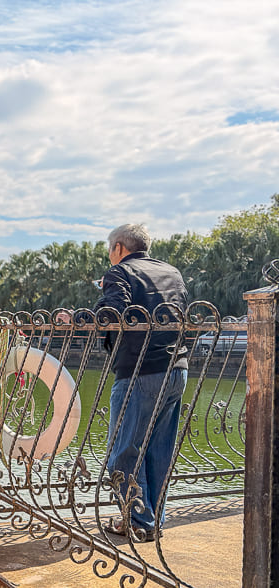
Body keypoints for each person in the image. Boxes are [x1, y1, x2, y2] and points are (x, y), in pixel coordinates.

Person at [94, 224, 188, 541]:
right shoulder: (172, 272)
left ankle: (137, 521)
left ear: (119, 247)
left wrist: (84, 317)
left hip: (140, 371)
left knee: (123, 452)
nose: (110, 256)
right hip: (177, 370)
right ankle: (152, 520)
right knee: (157, 451)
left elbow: (112, 312)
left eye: (110, 250)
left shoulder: (119, 272)